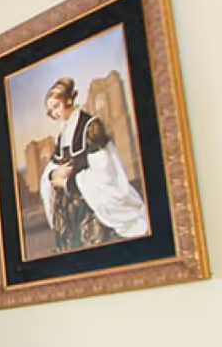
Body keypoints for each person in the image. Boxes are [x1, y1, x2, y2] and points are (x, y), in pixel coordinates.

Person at [38, 77, 149, 251]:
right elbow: (53, 165)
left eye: (56, 106)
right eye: (50, 111)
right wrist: (54, 174)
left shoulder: (91, 126)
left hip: (89, 201)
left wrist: (68, 182)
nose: (54, 114)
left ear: (68, 100)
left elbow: (103, 172)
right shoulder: (62, 133)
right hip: (68, 205)